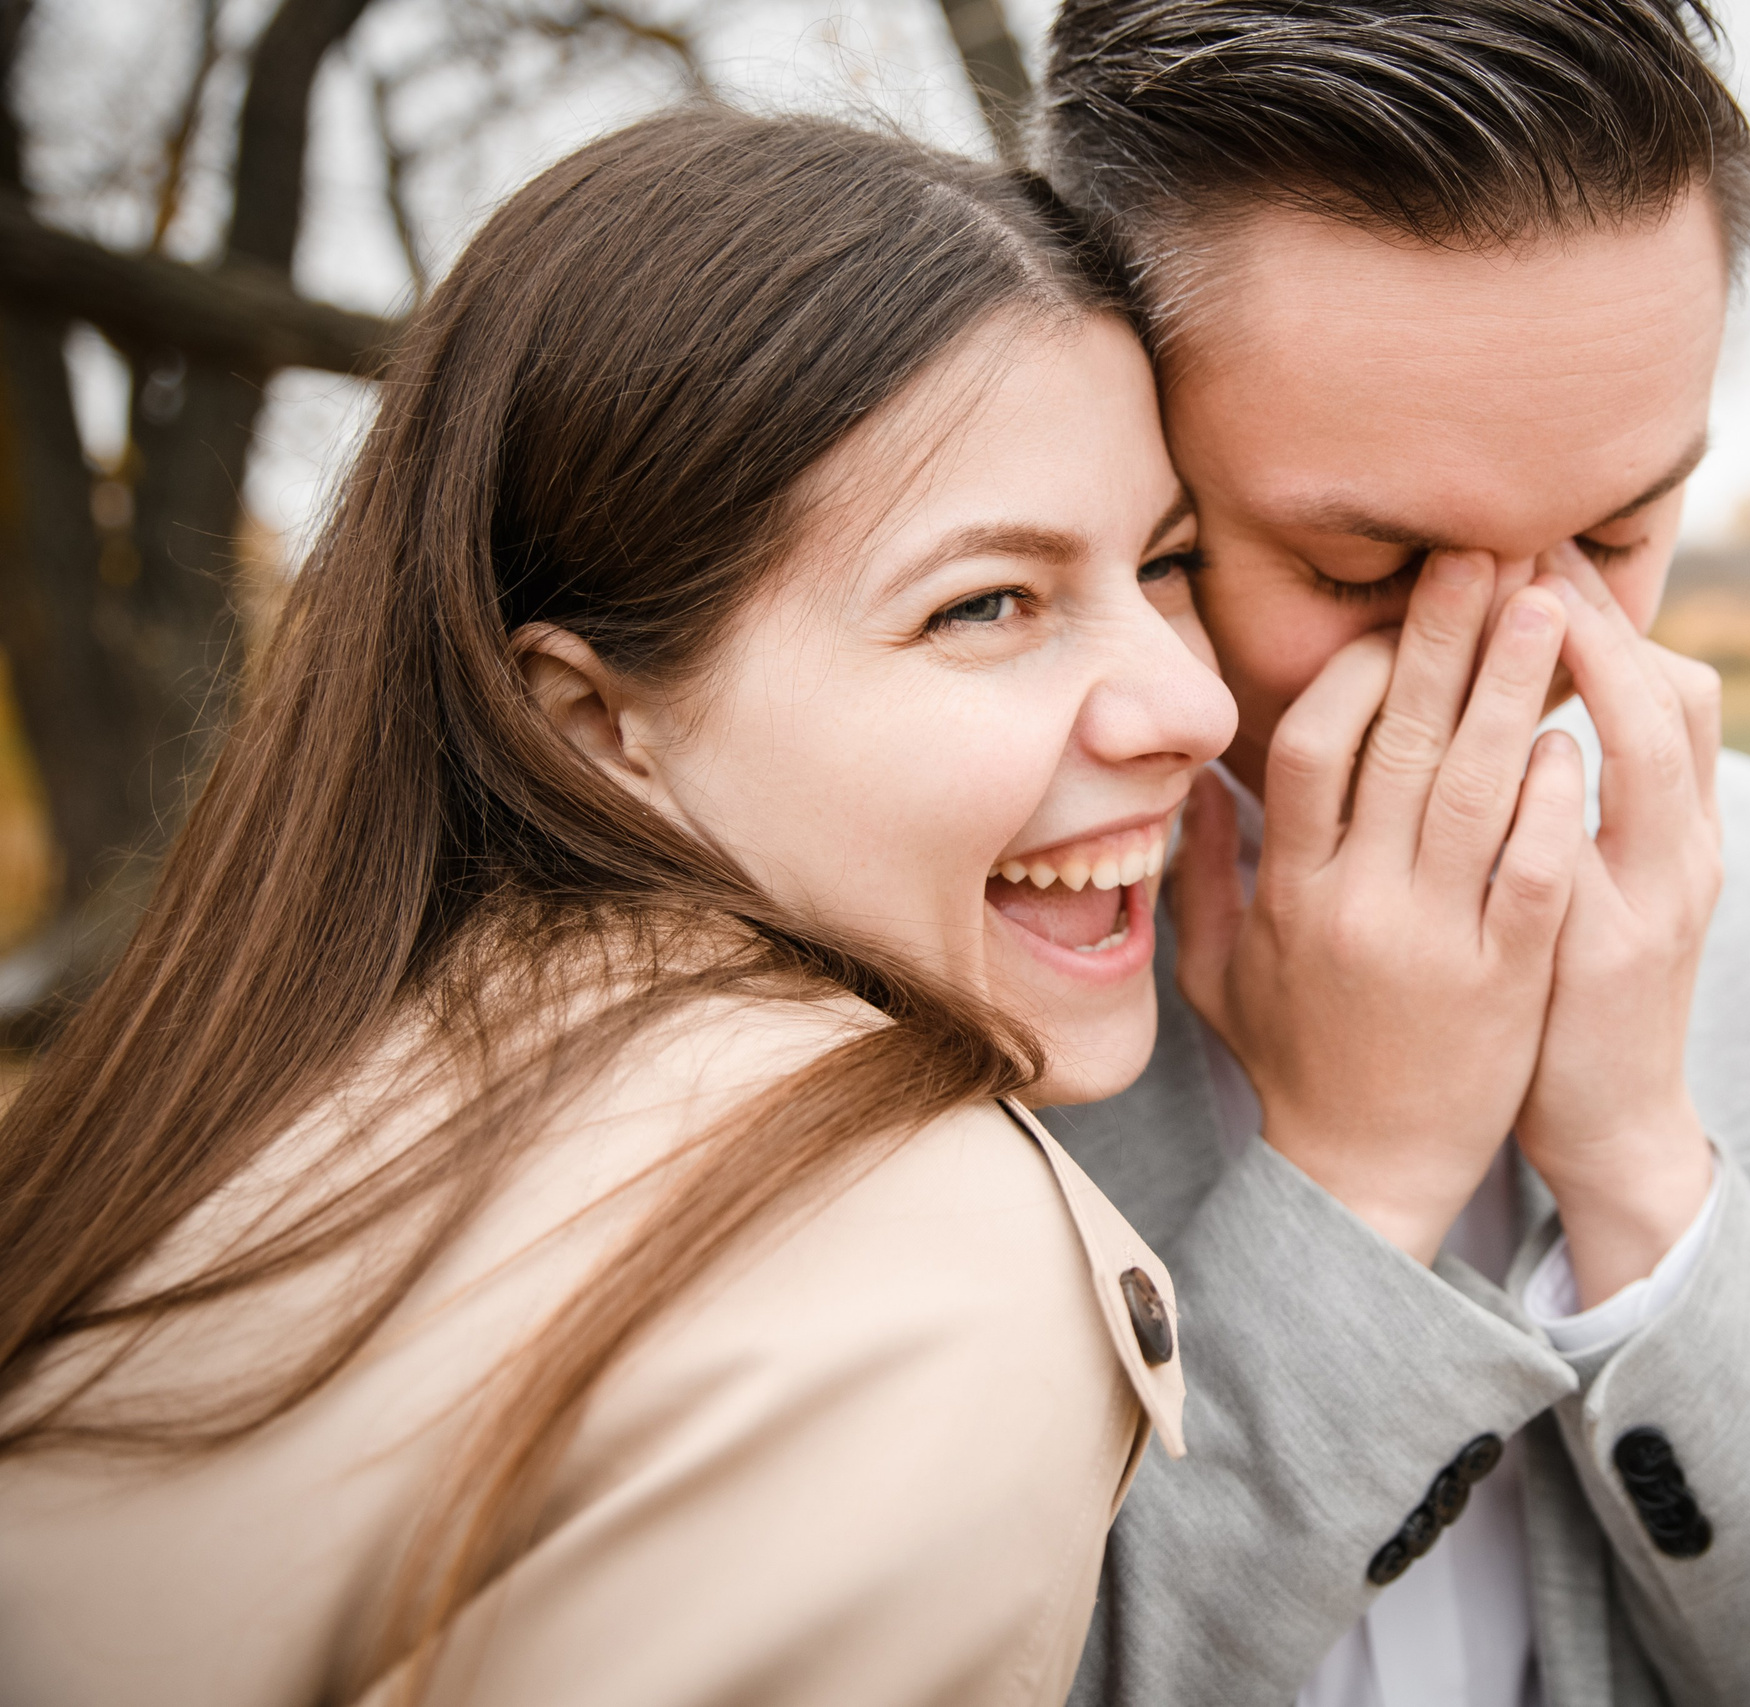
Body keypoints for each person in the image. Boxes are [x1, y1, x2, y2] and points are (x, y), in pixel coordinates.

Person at [0, 109, 1232, 1707]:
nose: (1188, 704)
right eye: (985, 603)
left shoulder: (254, 1081)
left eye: (1168, 561)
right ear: (591, 721)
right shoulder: (907, 1265)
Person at [1032, 0, 1750, 1702]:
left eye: (1622, 531)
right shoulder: (936, 930)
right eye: (1368, 566)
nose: (1536, 657)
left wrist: (1643, 1163)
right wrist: (1358, 1185)